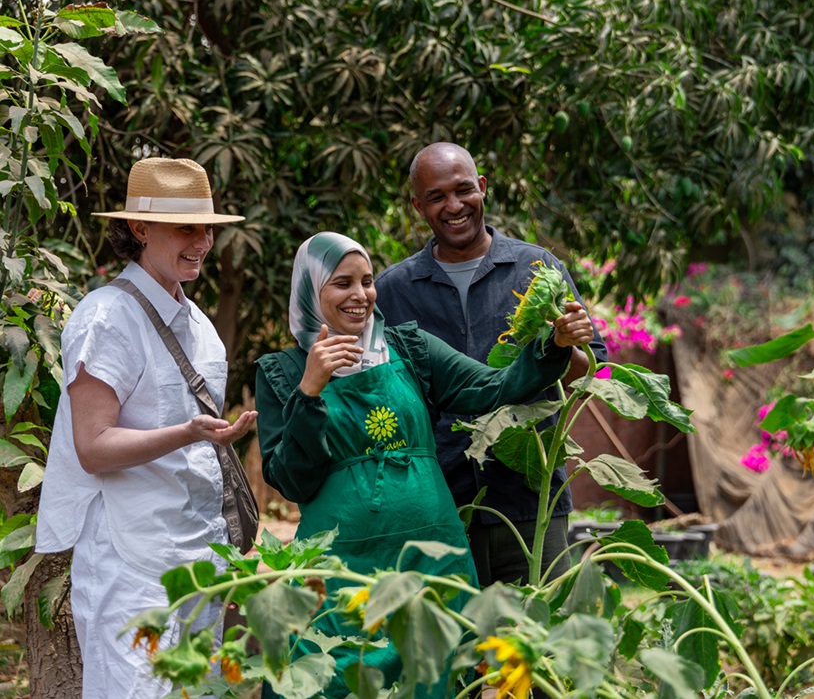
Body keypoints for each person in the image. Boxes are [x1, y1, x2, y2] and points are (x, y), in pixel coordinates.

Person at [255, 231, 593, 698]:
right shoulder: (284, 372)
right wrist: (310, 390)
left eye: (367, 281)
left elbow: (493, 387)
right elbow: (292, 480)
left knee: (436, 677)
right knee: (333, 675)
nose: (360, 295)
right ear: (310, 291)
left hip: (431, 558)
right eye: (342, 283)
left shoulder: (410, 348)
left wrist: (553, 345)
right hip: (341, 570)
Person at [36, 157, 257, 699]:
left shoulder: (200, 326)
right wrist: (189, 432)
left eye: (207, 229)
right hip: (131, 568)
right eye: (186, 228)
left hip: (200, 560)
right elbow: (93, 446)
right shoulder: (107, 316)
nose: (202, 242)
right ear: (139, 227)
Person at [374, 142, 608, 587]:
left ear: (482, 187)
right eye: (437, 197)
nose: (454, 206)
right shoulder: (392, 291)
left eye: (463, 190)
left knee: (540, 626)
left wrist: (567, 344)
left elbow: (591, 372)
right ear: (418, 206)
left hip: (531, 500)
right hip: (437, 508)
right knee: (447, 629)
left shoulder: (537, 269)